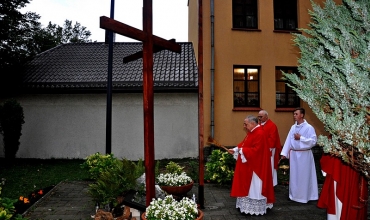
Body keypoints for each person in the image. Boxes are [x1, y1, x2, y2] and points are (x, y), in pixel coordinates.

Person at [228, 115, 275, 215]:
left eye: (246, 124)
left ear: (253, 123)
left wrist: (242, 150)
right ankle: (245, 206)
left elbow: (257, 151)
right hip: (250, 165)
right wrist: (236, 149)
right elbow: (245, 144)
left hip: (256, 168)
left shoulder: (260, 133)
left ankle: (255, 208)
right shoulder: (253, 132)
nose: (244, 126)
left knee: (254, 186)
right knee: (247, 185)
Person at [280, 107, 318, 203]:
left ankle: (304, 196)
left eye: (296, 114)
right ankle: (294, 195)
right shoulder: (293, 127)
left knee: (303, 176)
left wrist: (301, 138)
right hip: (294, 154)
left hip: (304, 155)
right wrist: (284, 153)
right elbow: (288, 140)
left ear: (302, 115)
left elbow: (313, 141)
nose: (294, 116)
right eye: (294, 114)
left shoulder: (309, 128)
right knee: (294, 176)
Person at [258, 110, 282, 186]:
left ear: (266, 116)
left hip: (269, 150)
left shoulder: (272, 126)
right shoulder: (258, 125)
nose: (259, 118)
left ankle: (269, 184)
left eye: (261, 116)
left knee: (269, 167)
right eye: (258, 116)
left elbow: (272, 139)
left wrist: (262, 145)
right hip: (259, 150)